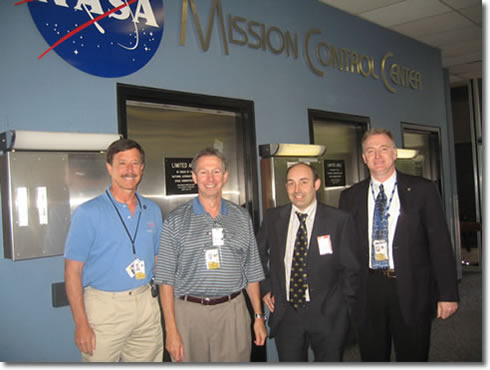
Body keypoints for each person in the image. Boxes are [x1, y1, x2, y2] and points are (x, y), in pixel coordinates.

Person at [338, 128, 459, 361]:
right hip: (368, 289)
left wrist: (448, 293)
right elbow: (346, 250)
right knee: (372, 356)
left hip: (412, 286)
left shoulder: (422, 189)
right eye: (370, 151)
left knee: (413, 354)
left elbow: (440, 244)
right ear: (363, 158)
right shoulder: (350, 196)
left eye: (384, 149)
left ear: (394, 154)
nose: (377, 156)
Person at [154, 147, 267, 362]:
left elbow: (251, 270)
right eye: (203, 172)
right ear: (194, 177)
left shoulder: (242, 218)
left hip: (232, 312)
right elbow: (165, 279)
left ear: (225, 176)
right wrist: (171, 329)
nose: (210, 178)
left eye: (216, 171)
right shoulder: (175, 221)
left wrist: (259, 317)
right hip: (189, 314)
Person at [64, 138, 163, 362]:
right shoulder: (88, 213)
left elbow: (158, 260)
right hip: (104, 308)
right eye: (122, 163)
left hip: (146, 302)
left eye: (135, 163)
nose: (129, 170)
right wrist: (81, 323)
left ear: (142, 168)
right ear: (110, 167)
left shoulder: (153, 210)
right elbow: (72, 272)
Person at [256, 162, 360, 361]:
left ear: (316, 184)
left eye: (304, 182)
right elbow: (258, 254)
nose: (297, 190)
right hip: (287, 314)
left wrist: (343, 307)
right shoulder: (273, 218)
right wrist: (267, 287)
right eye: (291, 183)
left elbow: (351, 268)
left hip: (327, 313)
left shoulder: (339, 220)